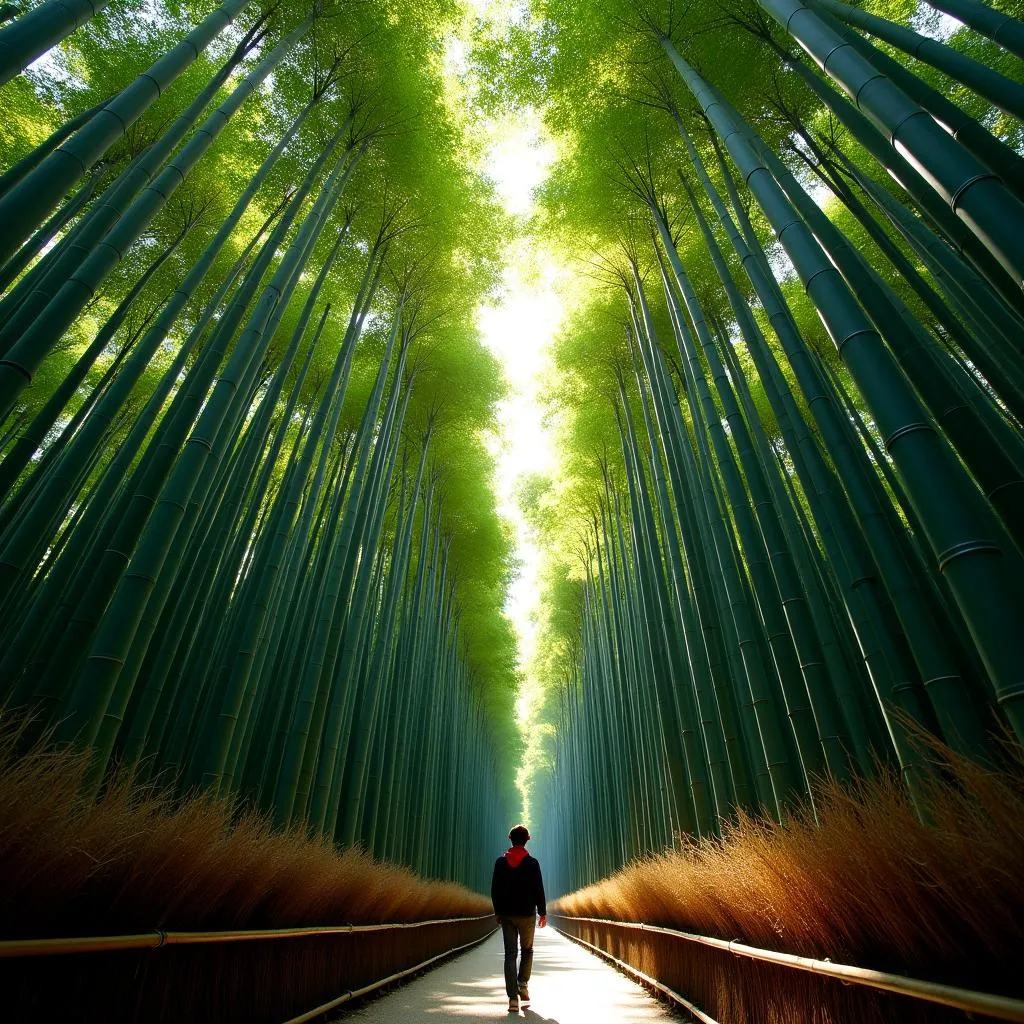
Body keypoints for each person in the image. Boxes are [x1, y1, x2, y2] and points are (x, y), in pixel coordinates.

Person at [491, 824, 547, 1014]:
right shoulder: (532, 863)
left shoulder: (500, 863)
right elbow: (539, 889)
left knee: (510, 954)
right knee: (527, 950)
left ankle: (512, 999)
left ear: (511, 839)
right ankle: (523, 984)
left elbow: (495, 889)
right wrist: (543, 912)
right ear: (527, 840)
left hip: (507, 915)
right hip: (527, 914)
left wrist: (497, 911)